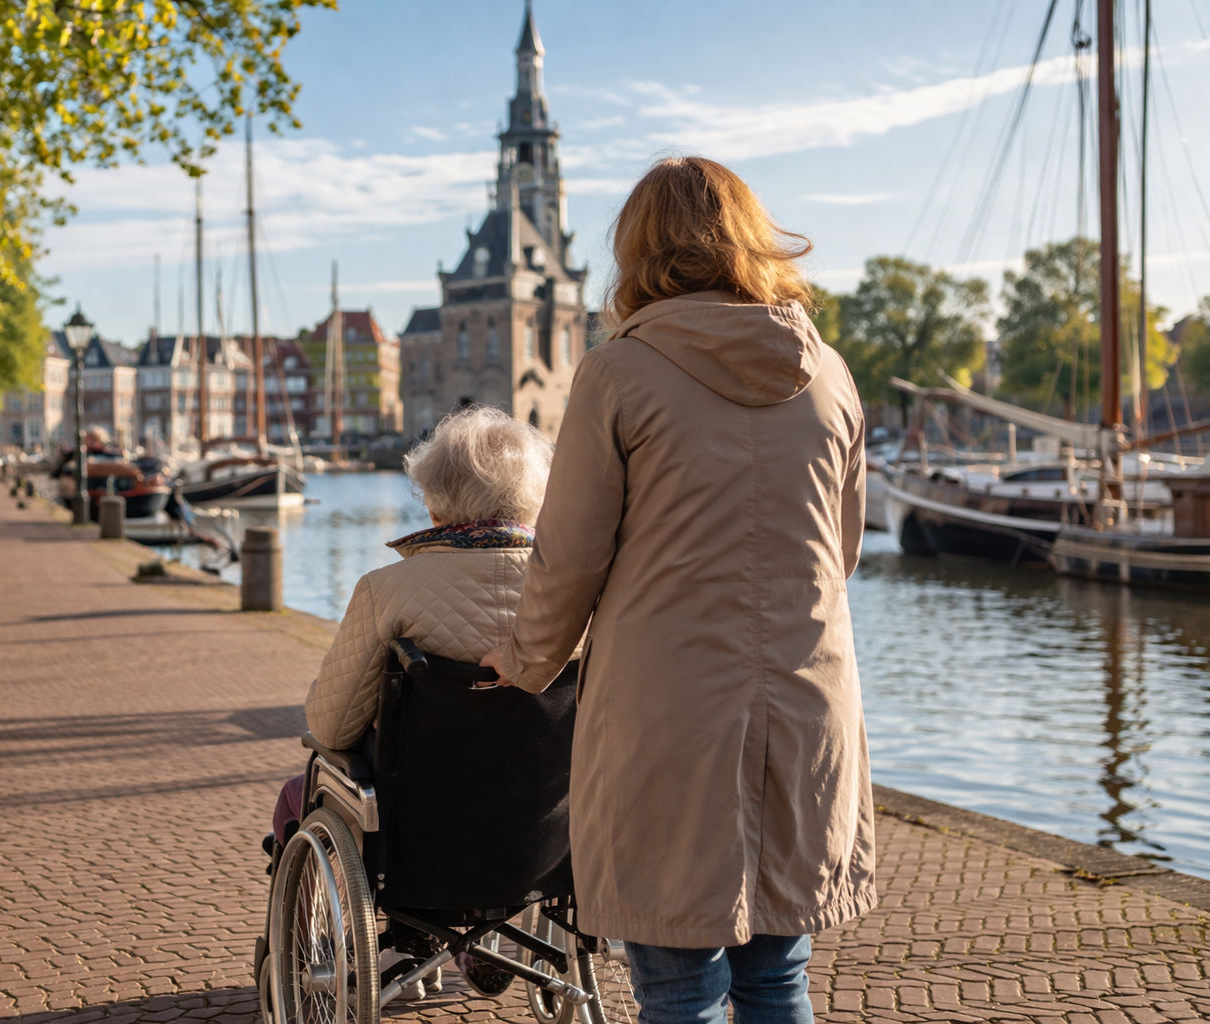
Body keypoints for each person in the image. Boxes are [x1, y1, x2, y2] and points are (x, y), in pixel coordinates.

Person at [481, 156, 876, 1024]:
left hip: (668, 714)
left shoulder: (619, 372)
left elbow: (568, 557)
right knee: (779, 978)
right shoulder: (832, 375)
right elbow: (838, 553)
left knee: (678, 988)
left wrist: (524, 661)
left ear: (640, 249)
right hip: (807, 706)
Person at [274, 403, 555, 999]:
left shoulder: (387, 589)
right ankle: (483, 935)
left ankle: (389, 940)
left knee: (305, 790)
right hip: (551, 835)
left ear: (436, 499)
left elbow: (330, 724)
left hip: (419, 834)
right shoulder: (575, 591)